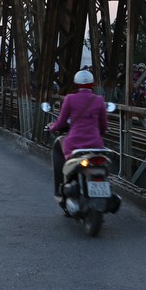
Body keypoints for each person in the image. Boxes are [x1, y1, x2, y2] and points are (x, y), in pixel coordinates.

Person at [46, 69, 108, 207]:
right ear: (93, 84)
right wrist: (99, 134)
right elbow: (104, 125)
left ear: (75, 84)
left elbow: (61, 122)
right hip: (96, 144)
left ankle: (61, 191)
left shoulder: (70, 99)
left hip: (74, 143)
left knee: (59, 152)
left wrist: (52, 128)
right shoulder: (99, 100)